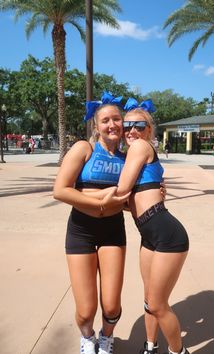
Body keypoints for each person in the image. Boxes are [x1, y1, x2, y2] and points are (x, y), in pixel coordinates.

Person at [53, 92, 131, 354]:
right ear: (96, 126)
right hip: (81, 231)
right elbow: (61, 190)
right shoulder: (83, 149)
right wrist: (102, 198)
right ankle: (87, 337)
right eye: (106, 120)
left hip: (112, 231)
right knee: (86, 312)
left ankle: (106, 338)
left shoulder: (128, 158)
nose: (112, 125)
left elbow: (130, 199)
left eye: (116, 119)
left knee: (110, 306)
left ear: (123, 123)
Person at [116, 98, 190, 354]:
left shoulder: (139, 148)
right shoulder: (132, 155)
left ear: (149, 130)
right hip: (149, 236)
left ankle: (178, 351)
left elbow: (123, 190)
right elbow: (130, 200)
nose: (132, 131)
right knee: (149, 301)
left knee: (158, 304)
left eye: (139, 125)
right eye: (127, 126)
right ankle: (150, 346)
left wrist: (84, 193)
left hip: (169, 236)